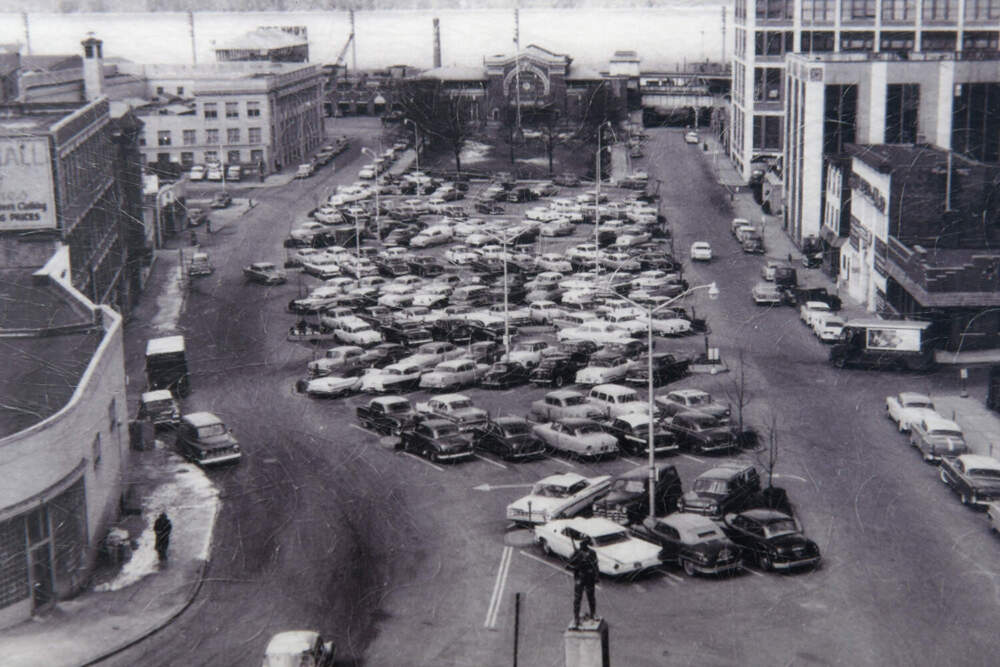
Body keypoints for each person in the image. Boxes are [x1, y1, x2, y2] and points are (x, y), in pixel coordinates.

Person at [566, 536, 599, 628]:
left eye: (583, 542)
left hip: (590, 577)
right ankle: (576, 618)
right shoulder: (576, 553)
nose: (581, 544)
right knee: (577, 599)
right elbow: (568, 565)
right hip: (580, 577)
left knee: (591, 597)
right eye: (581, 542)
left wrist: (596, 576)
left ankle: (593, 613)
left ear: (586, 543)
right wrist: (577, 566)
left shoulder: (592, 553)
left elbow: (595, 565)